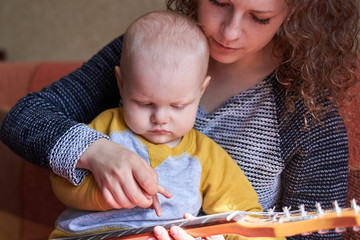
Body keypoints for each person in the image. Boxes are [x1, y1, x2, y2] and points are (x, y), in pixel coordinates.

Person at [0, 0, 358, 239]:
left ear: (295, 11)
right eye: (219, 2)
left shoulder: (310, 115)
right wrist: (95, 151)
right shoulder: (148, 51)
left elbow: (315, 234)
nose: (229, 32)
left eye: (259, 17)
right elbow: (24, 118)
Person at [47, 10, 264, 239]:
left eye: (178, 106)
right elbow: (62, 181)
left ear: (200, 91)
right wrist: (104, 195)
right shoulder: (107, 126)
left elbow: (245, 215)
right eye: (144, 103)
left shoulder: (206, 156)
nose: (160, 117)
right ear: (121, 84)